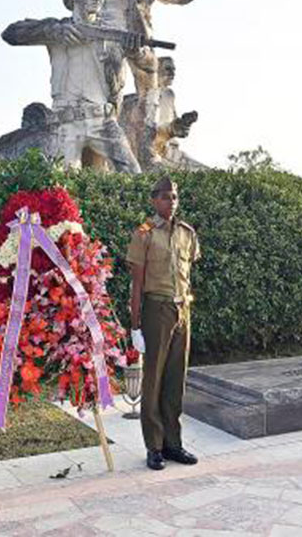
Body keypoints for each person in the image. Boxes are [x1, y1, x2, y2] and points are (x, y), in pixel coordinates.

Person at [82, 0, 196, 169]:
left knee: (140, 98)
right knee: (129, 98)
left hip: (131, 38)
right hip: (114, 40)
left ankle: (140, 154)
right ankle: (118, 158)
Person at [1, 0, 141, 172]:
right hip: (65, 122)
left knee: (134, 174)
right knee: (60, 185)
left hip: (102, 121)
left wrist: (134, 50)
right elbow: (11, 33)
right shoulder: (59, 29)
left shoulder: (112, 37)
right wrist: (52, 31)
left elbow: (143, 62)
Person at [127, 176, 200, 470]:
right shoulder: (144, 234)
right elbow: (136, 284)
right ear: (154, 200)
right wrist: (134, 326)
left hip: (183, 310)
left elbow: (188, 271)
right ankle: (154, 446)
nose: (172, 202)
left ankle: (173, 444)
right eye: (166, 197)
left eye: (175, 197)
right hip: (156, 310)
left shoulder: (187, 233)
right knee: (154, 379)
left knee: (175, 379)